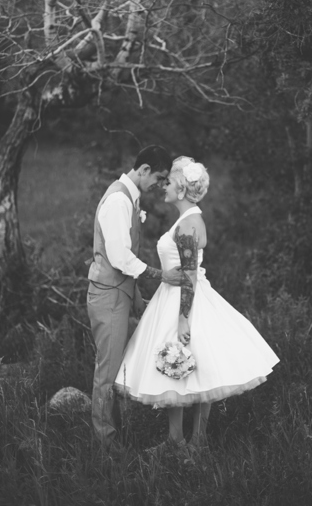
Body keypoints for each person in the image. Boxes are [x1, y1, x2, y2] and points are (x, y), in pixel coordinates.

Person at [115, 156, 280, 453]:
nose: (163, 186)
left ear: (180, 189)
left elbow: (189, 274)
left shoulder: (190, 224)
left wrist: (183, 318)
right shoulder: (185, 219)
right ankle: (175, 439)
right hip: (171, 297)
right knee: (173, 368)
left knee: (197, 367)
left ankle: (198, 442)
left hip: (186, 301)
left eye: (169, 182)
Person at [87, 144, 185, 449]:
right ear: (143, 170)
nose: (160, 184)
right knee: (107, 373)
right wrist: (160, 275)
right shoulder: (118, 200)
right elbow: (119, 256)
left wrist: (137, 296)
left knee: (115, 369)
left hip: (120, 294)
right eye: (158, 177)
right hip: (108, 298)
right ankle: (106, 447)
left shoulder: (129, 196)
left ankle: (114, 435)